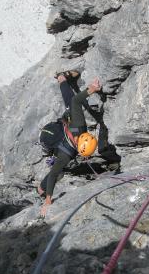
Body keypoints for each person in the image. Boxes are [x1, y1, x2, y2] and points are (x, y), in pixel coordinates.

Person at [37, 72, 102, 217]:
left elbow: (75, 101)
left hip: (64, 129)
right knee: (58, 172)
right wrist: (48, 200)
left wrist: (91, 89)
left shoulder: (80, 128)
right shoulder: (66, 155)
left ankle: (61, 78)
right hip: (55, 139)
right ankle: (41, 190)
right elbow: (53, 174)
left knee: (70, 104)